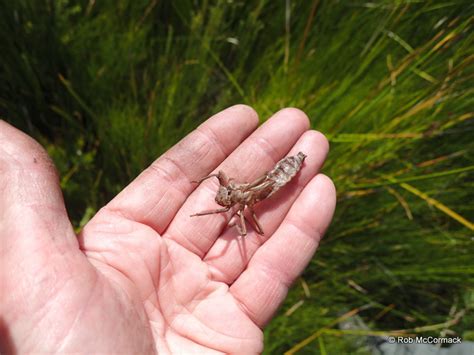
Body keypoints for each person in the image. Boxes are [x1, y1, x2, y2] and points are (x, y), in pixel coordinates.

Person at [0, 105, 336, 353]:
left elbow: (248, 232)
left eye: (225, 198)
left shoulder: (241, 206)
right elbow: (217, 180)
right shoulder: (228, 190)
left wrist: (232, 220)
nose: (221, 198)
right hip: (255, 189)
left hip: (274, 181)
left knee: (264, 199)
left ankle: (298, 162)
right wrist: (203, 188)